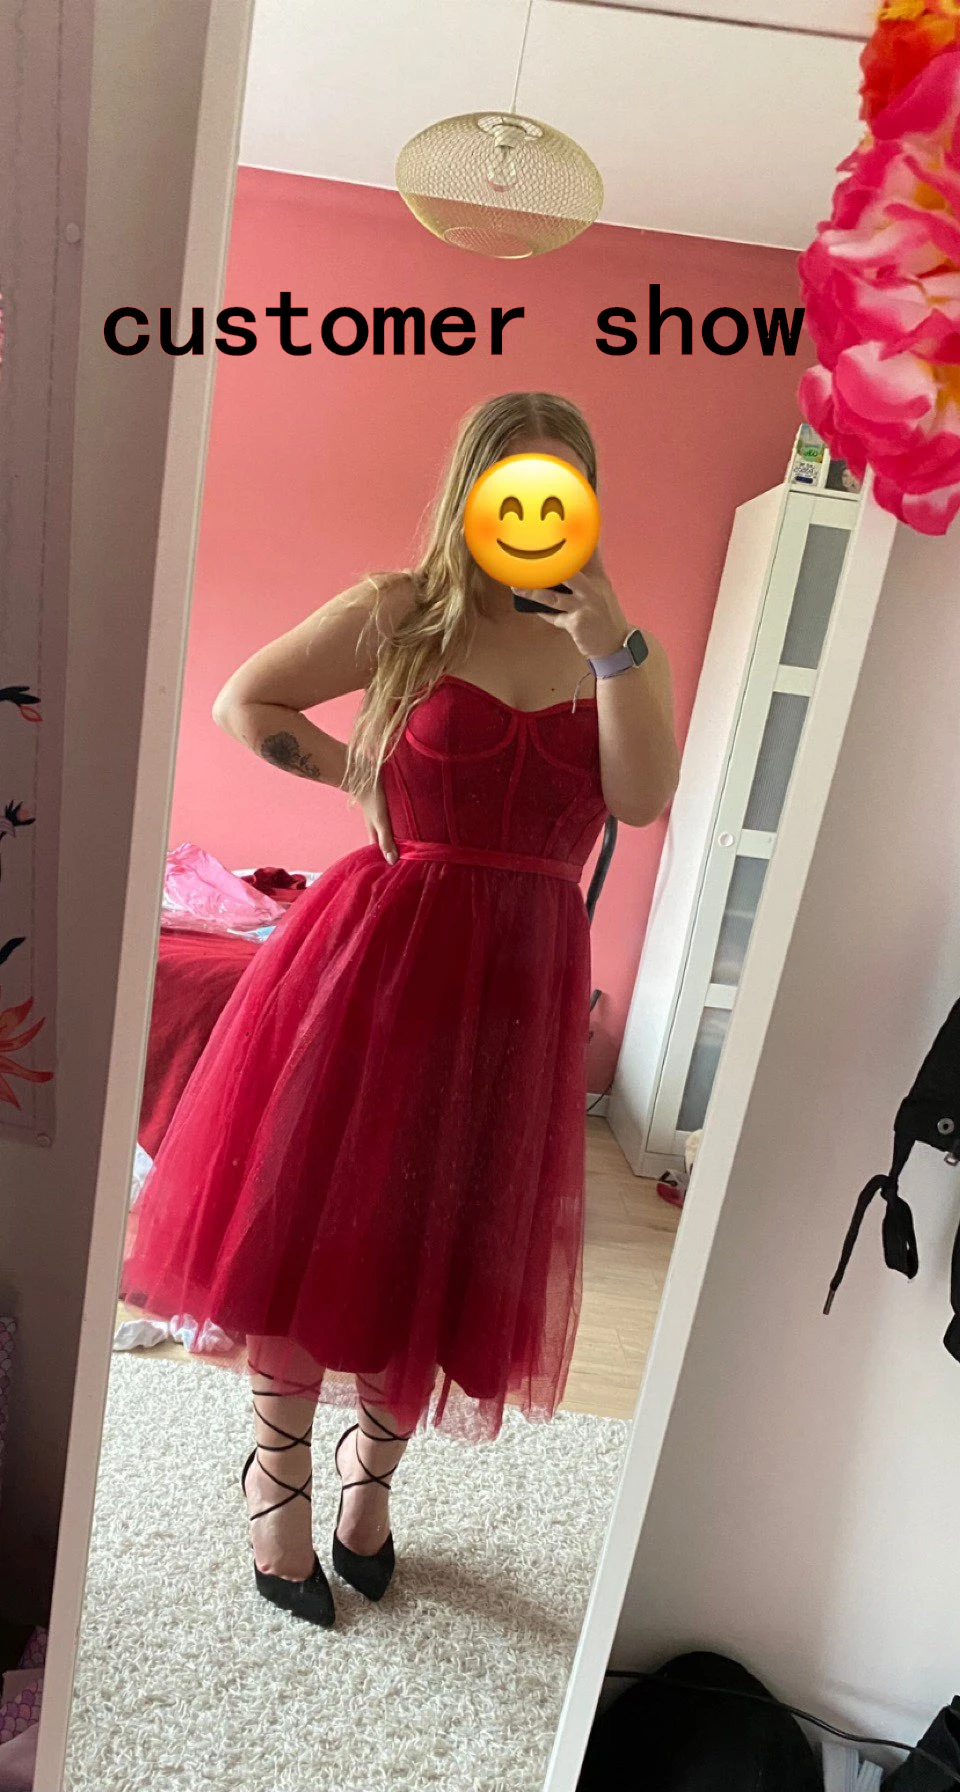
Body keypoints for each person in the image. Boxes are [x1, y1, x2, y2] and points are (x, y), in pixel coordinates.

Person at [121, 391, 680, 1628]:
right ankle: (276, 1486)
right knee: (325, 1222)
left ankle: (368, 1482)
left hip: (520, 987)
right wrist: (355, 771)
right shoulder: (402, 612)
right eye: (509, 485)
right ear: (471, 494)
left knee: (452, 1237)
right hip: (383, 958)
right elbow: (246, 701)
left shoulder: (618, 651)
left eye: (560, 487)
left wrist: (612, 644)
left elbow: (641, 798)